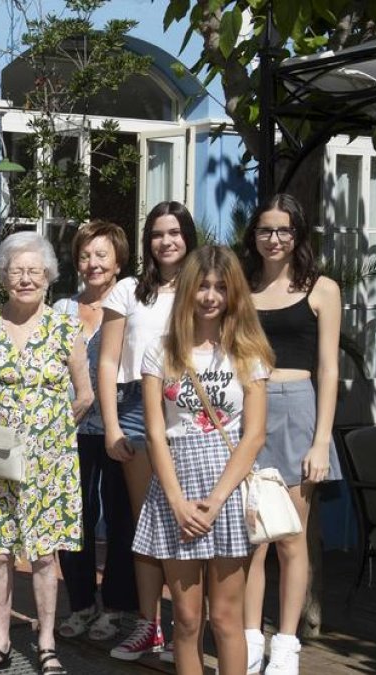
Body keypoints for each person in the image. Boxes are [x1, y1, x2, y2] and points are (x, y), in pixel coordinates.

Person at [134, 245, 273, 675]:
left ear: (234, 294)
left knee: (227, 619)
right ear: (188, 290)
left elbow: (254, 435)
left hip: (226, 491)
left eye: (221, 287)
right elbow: (155, 431)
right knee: (188, 619)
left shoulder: (248, 351)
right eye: (203, 286)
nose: (211, 296)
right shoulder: (162, 351)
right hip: (176, 486)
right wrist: (176, 502)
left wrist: (214, 502)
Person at [0, 232, 93, 675]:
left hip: (50, 461)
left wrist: (50, 433)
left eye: (34, 271)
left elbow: (86, 394)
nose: (26, 278)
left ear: (49, 277)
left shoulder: (64, 326)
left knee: (42, 554)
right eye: (17, 271)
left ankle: (46, 643)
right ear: (3, 277)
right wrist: (8, 433)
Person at [240, 194, 343, 675]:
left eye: (283, 230)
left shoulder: (322, 289)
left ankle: (286, 645)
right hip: (248, 413)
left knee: (289, 537)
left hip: (299, 413)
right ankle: (248, 641)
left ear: (298, 234)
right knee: (249, 538)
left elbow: (328, 367)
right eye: (265, 230)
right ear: (254, 235)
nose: (274, 238)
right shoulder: (241, 287)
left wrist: (321, 440)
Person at [98, 201, 197, 661]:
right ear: (148, 241)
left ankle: (187, 632)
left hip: (189, 406)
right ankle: (149, 626)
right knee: (147, 525)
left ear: (187, 236)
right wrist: (112, 426)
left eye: (174, 232)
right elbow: (107, 359)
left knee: (190, 521)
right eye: (158, 233)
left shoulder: (204, 286)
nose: (166, 241)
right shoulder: (127, 290)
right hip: (136, 406)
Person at [52, 221, 138, 641]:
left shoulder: (134, 304)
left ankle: (117, 607)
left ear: (118, 260)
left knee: (121, 516)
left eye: (101, 255)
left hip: (119, 426)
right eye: (85, 255)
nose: (92, 263)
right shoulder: (63, 310)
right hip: (70, 429)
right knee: (75, 518)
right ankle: (82, 603)